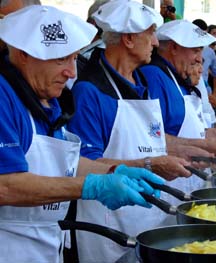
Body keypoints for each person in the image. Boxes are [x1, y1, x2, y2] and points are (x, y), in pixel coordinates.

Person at [0, 5, 164, 263]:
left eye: (74, 58)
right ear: (23, 54)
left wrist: (114, 171)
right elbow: (5, 185)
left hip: (46, 245)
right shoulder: (4, 97)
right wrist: (92, 186)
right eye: (60, 59)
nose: (71, 73)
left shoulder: (46, 100)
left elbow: (66, 164)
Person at [67, 1, 192, 262]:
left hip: (150, 216)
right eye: (150, 33)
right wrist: (150, 164)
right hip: (110, 223)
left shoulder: (142, 80)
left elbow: (151, 138)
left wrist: (197, 147)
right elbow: (84, 164)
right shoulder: (90, 91)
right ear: (129, 39)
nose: (156, 42)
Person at [140, 20, 216, 190]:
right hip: (166, 183)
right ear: (174, 47)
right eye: (196, 51)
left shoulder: (178, 77)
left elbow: (181, 127)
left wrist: (210, 133)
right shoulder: (153, 76)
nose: (200, 59)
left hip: (189, 180)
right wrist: (203, 144)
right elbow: (149, 137)